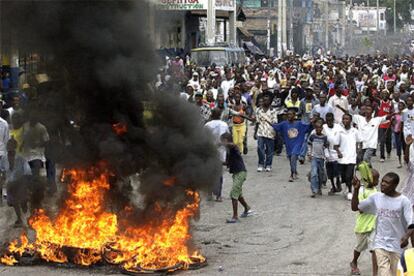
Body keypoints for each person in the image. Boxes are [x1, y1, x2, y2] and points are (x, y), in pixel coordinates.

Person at [352, 172, 413, 276]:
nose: (383, 184)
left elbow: (412, 223)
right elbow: (355, 207)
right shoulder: (376, 197)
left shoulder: (404, 201)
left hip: (397, 246)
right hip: (380, 244)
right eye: (382, 181)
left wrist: (406, 236)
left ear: (394, 185)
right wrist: (356, 190)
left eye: (387, 183)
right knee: (384, 273)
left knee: (396, 273)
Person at [349, 167, 379, 276]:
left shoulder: (375, 191)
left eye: (377, 179)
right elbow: (359, 208)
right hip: (363, 226)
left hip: (374, 225)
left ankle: (375, 273)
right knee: (359, 247)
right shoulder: (362, 190)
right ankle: (354, 262)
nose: (377, 182)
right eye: (375, 179)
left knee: (374, 249)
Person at [220, 133, 252, 223]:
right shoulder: (228, 151)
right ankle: (247, 208)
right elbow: (227, 163)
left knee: (234, 193)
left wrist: (222, 144)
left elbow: (233, 144)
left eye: (223, 140)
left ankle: (235, 217)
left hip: (240, 173)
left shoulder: (234, 148)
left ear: (226, 140)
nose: (222, 142)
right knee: (238, 194)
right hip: (236, 174)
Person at [272, 109, 311, 182]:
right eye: (288, 114)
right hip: (289, 145)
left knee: (293, 156)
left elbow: (307, 127)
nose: (289, 116)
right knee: (291, 159)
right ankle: (294, 171)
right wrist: (267, 122)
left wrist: (312, 122)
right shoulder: (284, 124)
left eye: (291, 114)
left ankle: (292, 174)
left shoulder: (299, 124)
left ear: (294, 115)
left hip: (297, 144)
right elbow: (276, 126)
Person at [4, 138, 33, 227]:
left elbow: (27, 172)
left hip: (20, 183)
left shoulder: (21, 159)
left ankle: (28, 218)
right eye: (8, 146)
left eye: (11, 146)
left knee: (23, 201)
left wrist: (25, 184)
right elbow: (2, 171)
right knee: (14, 202)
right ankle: (19, 219)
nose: (9, 148)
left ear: (15, 147)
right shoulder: (3, 159)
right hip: (10, 184)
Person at [205, 109, 229, 202]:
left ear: (211, 115)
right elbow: (228, 138)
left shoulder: (207, 125)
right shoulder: (224, 125)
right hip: (221, 152)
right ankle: (218, 196)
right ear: (220, 115)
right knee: (219, 174)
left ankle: (209, 194)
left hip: (209, 152)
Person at [335, 113, 361, 199]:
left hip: (351, 157)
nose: (345, 121)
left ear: (351, 120)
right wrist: (338, 152)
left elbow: (359, 142)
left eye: (347, 119)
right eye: (344, 119)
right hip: (342, 158)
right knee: (343, 175)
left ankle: (350, 191)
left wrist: (358, 151)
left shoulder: (355, 131)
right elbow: (335, 145)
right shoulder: (340, 131)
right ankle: (347, 185)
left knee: (349, 175)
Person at [255, 94, 278, 172]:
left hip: (270, 132)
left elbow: (275, 122)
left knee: (269, 150)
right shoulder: (258, 110)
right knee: (259, 148)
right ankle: (261, 163)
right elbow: (257, 122)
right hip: (261, 132)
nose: (265, 102)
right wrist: (255, 132)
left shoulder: (273, 111)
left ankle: (268, 164)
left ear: (270, 101)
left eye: (267, 100)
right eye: (264, 100)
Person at [308, 121, 328, 197]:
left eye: (320, 128)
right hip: (314, 157)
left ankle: (319, 188)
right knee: (314, 173)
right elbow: (309, 145)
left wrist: (326, 156)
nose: (318, 129)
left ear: (322, 128)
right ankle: (314, 190)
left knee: (320, 174)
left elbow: (326, 147)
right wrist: (309, 153)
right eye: (317, 128)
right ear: (315, 128)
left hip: (321, 158)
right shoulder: (312, 136)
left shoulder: (324, 137)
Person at [323, 113, 341, 195]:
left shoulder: (338, 127)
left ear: (333, 119)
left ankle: (338, 182)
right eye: (327, 120)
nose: (329, 122)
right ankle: (333, 186)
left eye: (330, 120)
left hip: (337, 152)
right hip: (327, 152)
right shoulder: (323, 127)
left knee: (336, 170)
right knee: (329, 172)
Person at [377, 90, 393, 162]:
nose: (384, 95)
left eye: (386, 94)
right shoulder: (380, 102)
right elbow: (372, 97)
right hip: (381, 124)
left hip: (388, 124)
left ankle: (388, 151)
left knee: (388, 140)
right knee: (382, 141)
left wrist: (392, 118)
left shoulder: (390, 103)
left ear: (388, 95)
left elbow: (392, 112)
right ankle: (382, 156)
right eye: (383, 94)